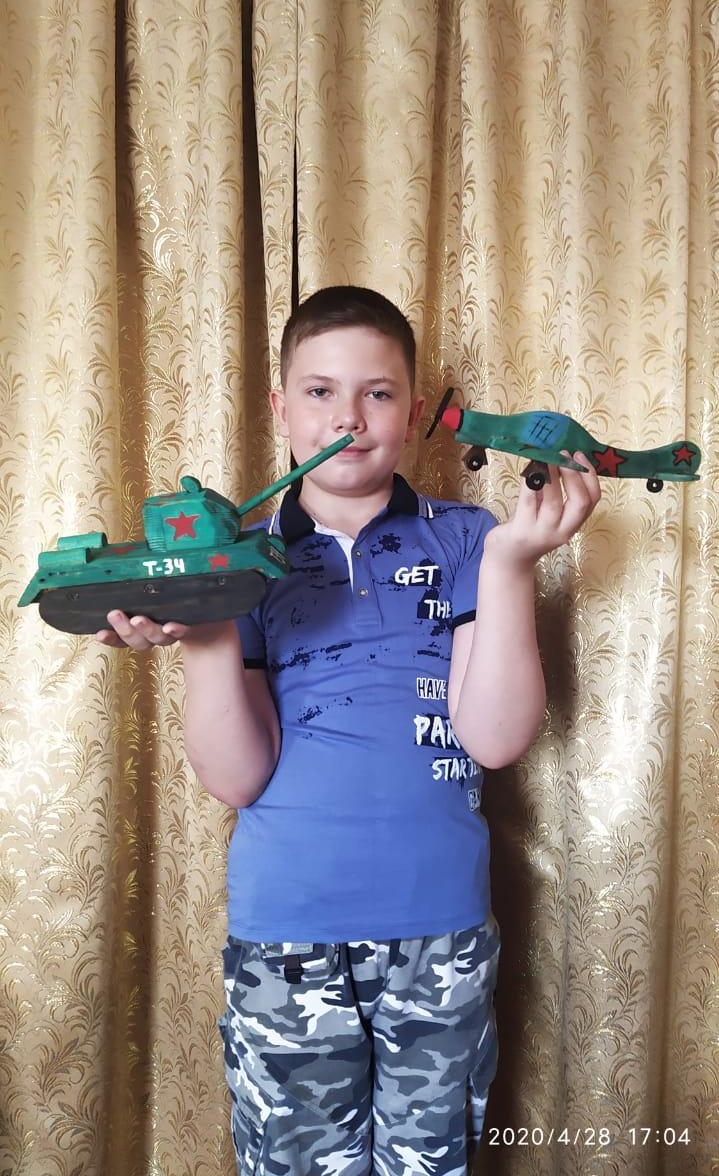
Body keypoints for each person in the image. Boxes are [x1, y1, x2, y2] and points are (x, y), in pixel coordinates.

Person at [97, 286, 601, 1175]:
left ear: (412, 409)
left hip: (441, 932)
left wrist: (513, 565)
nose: (349, 418)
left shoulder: (468, 537)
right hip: (284, 938)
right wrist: (206, 622)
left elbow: (494, 739)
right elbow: (236, 778)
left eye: (378, 393)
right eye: (321, 391)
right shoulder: (237, 552)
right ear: (280, 406)